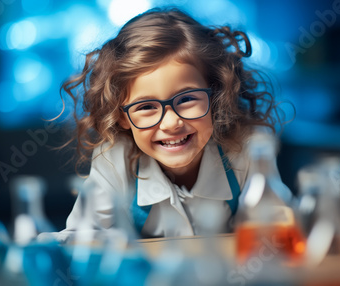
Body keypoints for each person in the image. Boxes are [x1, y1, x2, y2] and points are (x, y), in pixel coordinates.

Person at [56, 7, 292, 240]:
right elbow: (81, 240)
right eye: (146, 107)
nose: (171, 123)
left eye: (187, 99)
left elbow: (277, 234)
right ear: (121, 116)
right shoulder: (114, 157)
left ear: (216, 95)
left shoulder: (245, 148)